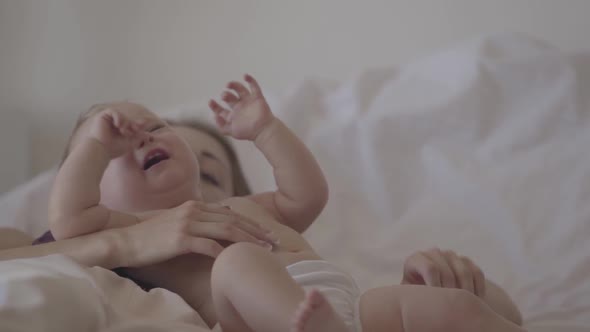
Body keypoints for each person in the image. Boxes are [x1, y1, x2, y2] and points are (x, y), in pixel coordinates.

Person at [40, 73, 524, 332]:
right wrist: (94, 147)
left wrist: (265, 131)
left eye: (155, 126)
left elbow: (307, 194)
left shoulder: (243, 207)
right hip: (255, 322)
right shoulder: (127, 229)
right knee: (237, 263)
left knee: (454, 309)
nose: (141, 137)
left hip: (344, 308)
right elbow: (66, 222)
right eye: (119, 144)